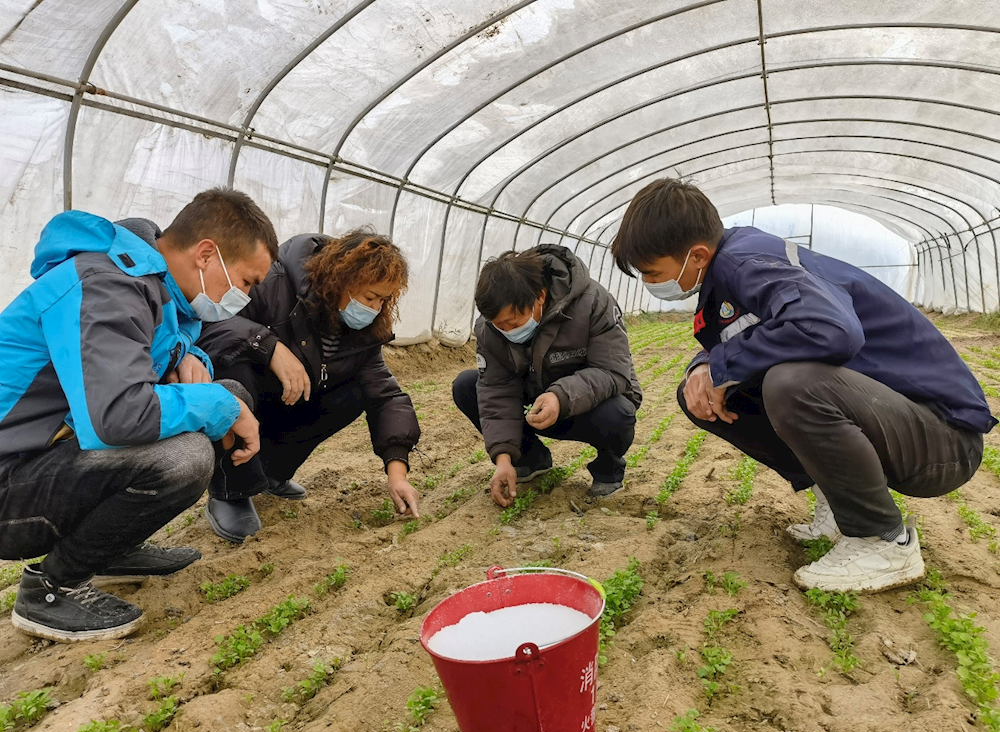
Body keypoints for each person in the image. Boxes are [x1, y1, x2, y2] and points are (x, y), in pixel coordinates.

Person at [611, 178, 997, 593]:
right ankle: (838, 503)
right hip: (898, 423)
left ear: (697, 255)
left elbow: (832, 330)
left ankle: (882, 540)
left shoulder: (749, 263)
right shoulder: (729, 273)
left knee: (792, 383)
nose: (650, 284)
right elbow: (737, 342)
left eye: (653, 273)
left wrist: (720, 364)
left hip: (944, 440)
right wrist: (703, 368)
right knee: (701, 392)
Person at [0, 187, 277, 641]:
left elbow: (161, 355)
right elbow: (118, 416)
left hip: (45, 454)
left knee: (226, 391)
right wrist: (222, 407)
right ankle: (51, 589)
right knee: (184, 457)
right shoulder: (106, 286)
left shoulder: (152, 285)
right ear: (207, 254)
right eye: (246, 281)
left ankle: (108, 550)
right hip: (9, 480)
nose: (244, 297)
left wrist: (193, 363)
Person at [196, 229, 421, 543]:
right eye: (369, 297)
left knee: (355, 392)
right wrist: (268, 346)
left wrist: (397, 473)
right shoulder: (275, 282)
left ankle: (272, 473)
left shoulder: (365, 331)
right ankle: (231, 489)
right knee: (232, 367)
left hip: (287, 400)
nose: (373, 308)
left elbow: (385, 395)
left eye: (383, 300)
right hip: (255, 394)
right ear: (339, 279)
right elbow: (211, 325)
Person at [452, 245, 642, 507]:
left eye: (515, 321)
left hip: (584, 408)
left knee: (618, 412)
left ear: (539, 297)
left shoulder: (593, 302)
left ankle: (608, 469)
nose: (507, 330)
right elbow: (496, 391)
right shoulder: (489, 329)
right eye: (500, 324)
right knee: (466, 386)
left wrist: (560, 396)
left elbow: (613, 373)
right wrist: (503, 459)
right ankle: (529, 460)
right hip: (535, 408)